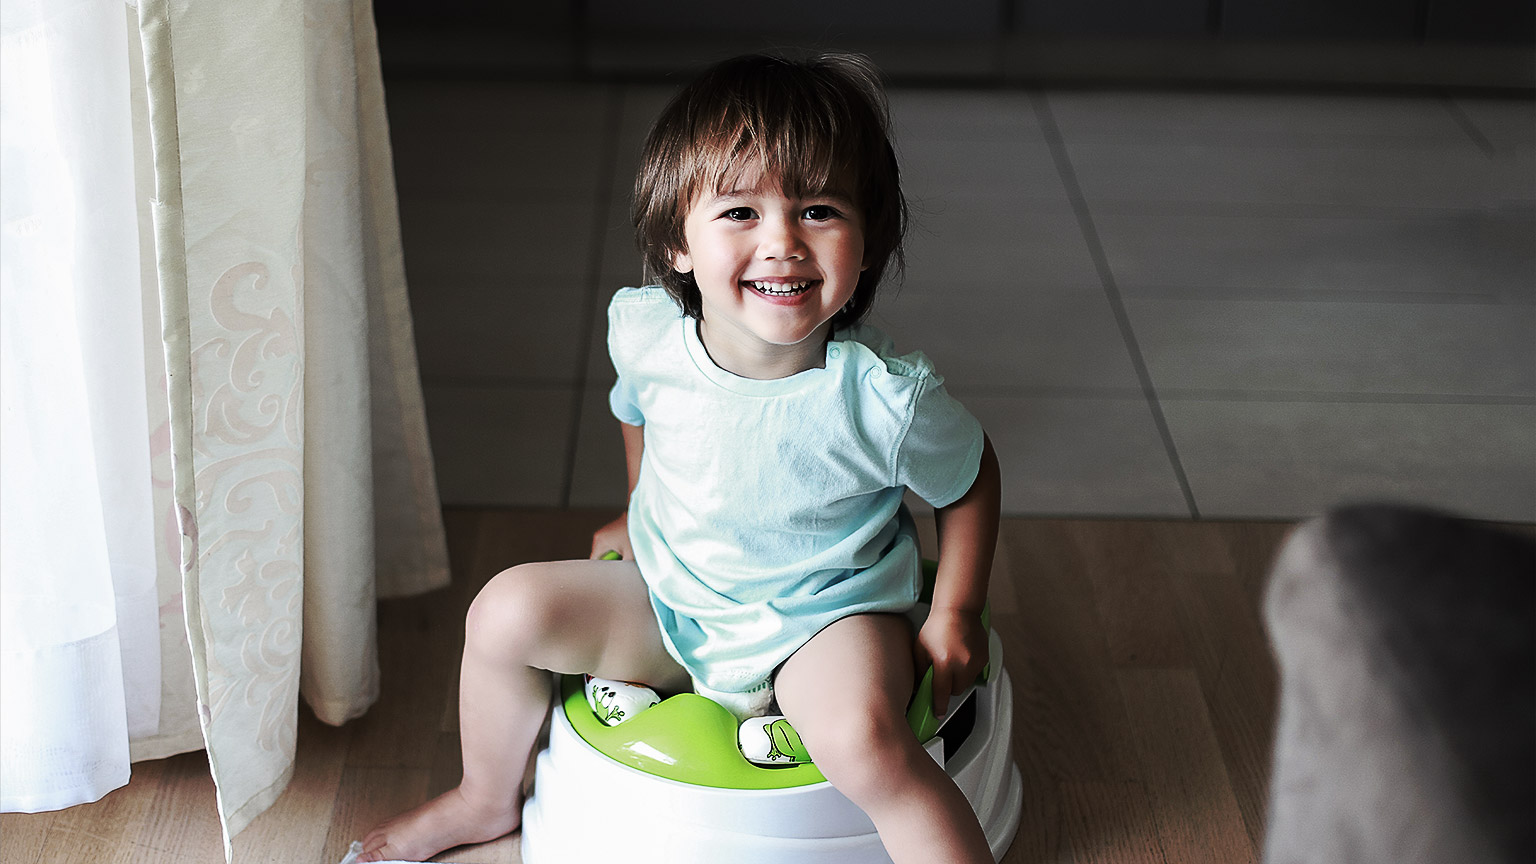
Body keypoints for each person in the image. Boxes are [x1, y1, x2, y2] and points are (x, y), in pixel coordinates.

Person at [359, 52, 1002, 864]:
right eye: (740, 212)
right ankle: (483, 798)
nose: (782, 244)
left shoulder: (881, 397)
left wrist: (955, 611)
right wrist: (635, 507)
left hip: (825, 618)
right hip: (674, 599)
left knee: (864, 741)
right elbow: (637, 409)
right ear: (676, 244)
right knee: (501, 614)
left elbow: (972, 474)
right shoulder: (647, 335)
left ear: (867, 243)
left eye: (819, 210)